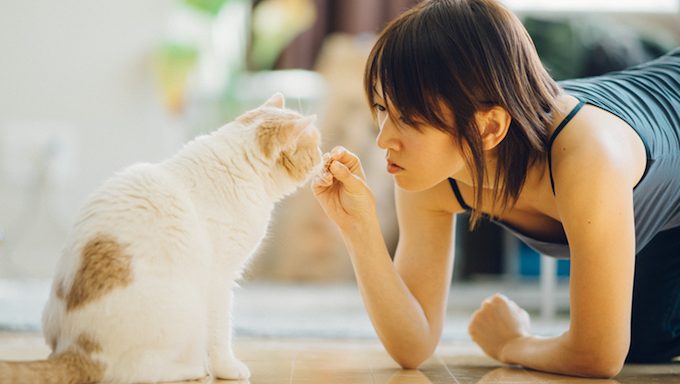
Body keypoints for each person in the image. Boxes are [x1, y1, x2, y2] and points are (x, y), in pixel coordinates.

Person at [311, 0, 680, 379]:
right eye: (382, 108)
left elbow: (596, 357)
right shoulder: (430, 176)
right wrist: (360, 231)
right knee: (647, 341)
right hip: (665, 201)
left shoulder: (587, 158)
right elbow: (412, 345)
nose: (384, 139)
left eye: (409, 119)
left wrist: (512, 343)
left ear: (489, 128)